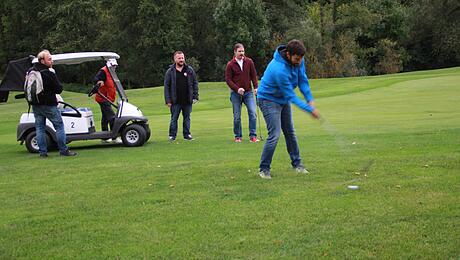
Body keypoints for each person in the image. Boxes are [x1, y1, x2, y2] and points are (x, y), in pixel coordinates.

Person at [256, 39, 320, 179]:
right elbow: (291, 96)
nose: (299, 61)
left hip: (282, 99)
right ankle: (264, 169)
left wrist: (310, 99)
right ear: (288, 54)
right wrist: (309, 110)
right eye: (297, 58)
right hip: (268, 99)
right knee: (275, 134)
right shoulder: (279, 69)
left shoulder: (298, 61)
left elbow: (303, 81)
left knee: (290, 132)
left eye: (301, 58)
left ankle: (297, 164)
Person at [29, 50, 77, 157]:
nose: (51, 61)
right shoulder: (49, 73)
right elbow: (58, 89)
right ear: (42, 60)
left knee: (40, 128)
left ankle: (43, 153)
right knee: (59, 126)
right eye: (49, 59)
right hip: (49, 104)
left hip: (36, 104)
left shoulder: (31, 71)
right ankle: (63, 150)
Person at [225, 43, 259, 143]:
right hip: (236, 94)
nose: (242, 53)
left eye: (243, 51)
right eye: (240, 51)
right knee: (237, 116)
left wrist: (256, 87)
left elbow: (253, 76)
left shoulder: (249, 62)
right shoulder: (230, 64)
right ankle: (238, 136)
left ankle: (253, 136)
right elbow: (228, 80)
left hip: (248, 92)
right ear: (235, 52)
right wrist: (237, 89)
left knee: (253, 113)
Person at [164, 51, 199, 141]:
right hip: (175, 101)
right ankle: (172, 135)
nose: (181, 60)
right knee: (174, 118)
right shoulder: (170, 71)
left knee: (187, 118)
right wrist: (168, 100)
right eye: (179, 58)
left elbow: (195, 83)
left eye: (182, 58)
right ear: (175, 59)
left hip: (187, 100)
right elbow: (166, 87)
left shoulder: (189, 70)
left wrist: (195, 96)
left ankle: (187, 135)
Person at [93, 58, 122, 144]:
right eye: (113, 66)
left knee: (105, 117)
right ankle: (115, 137)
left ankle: (104, 138)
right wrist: (99, 81)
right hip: (103, 97)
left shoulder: (111, 72)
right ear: (109, 65)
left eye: (115, 66)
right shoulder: (103, 71)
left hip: (108, 98)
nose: (115, 67)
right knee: (111, 117)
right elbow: (95, 79)